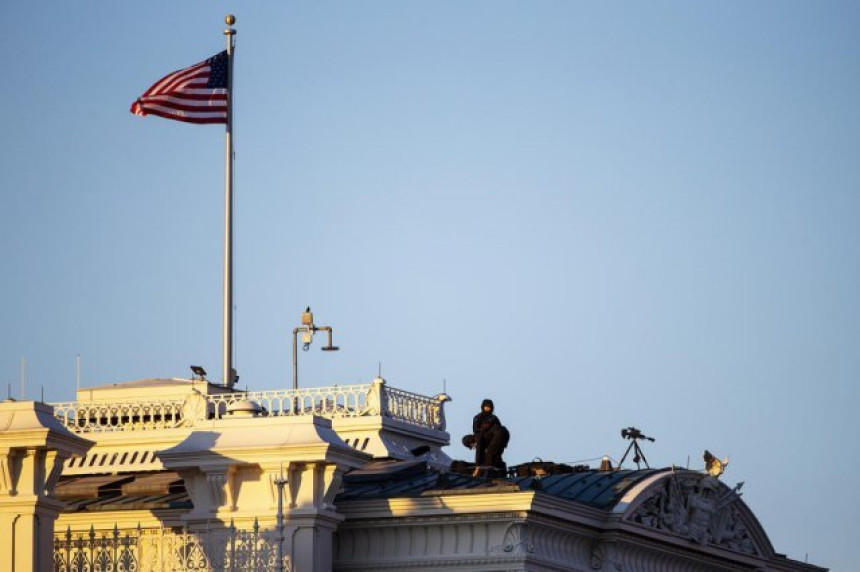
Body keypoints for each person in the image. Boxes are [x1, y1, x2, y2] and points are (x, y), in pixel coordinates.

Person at [471, 399, 507, 476]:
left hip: (494, 441)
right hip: (482, 438)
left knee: (495, 456)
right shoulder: (478, 417)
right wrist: (483, 429)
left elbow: (499, 429)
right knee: (480, 448)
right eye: (486, 407)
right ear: (483, 407)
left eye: (489, 407)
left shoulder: (494, 418)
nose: (488, 408)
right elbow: (475, 430)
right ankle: (478, 467)